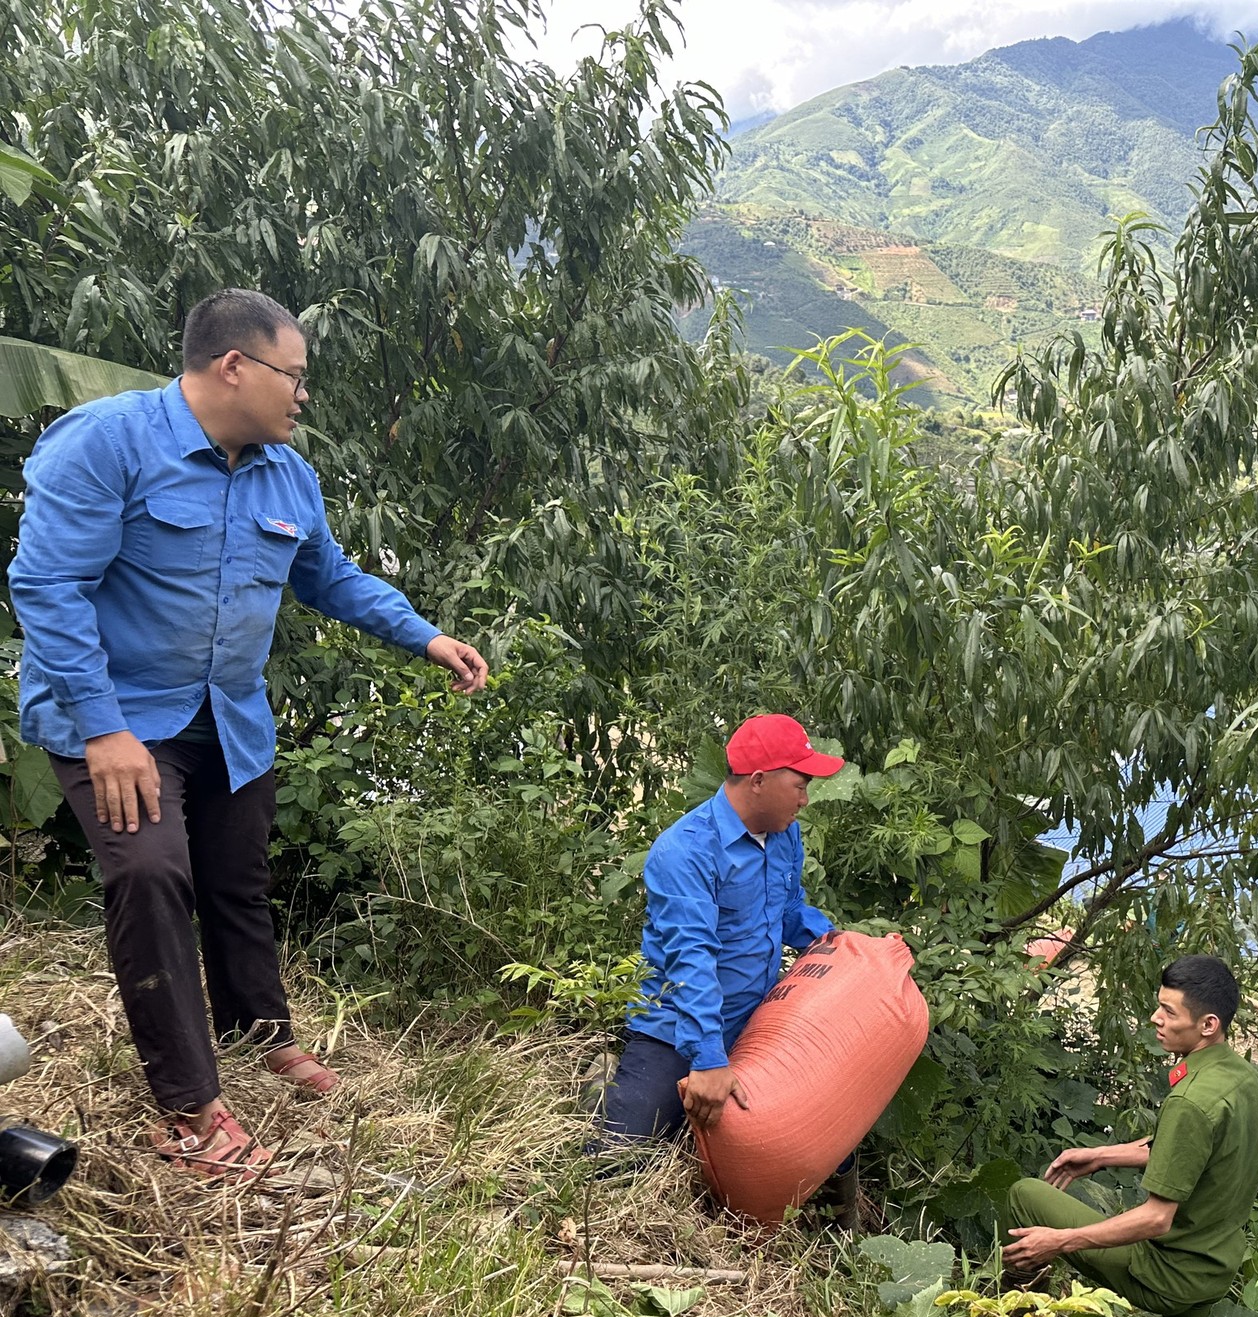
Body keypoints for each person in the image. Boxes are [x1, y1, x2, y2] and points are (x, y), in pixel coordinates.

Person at [11, 289, 488, 1180]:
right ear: (235, 367)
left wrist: (422, 634)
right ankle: (191, 1106)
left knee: (237, 875)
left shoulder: (285, 474)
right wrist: (105, 731)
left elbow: (330, 576)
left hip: (227, 716)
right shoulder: (105, 443)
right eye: (293, 377)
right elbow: (47, 587)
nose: (301, 397)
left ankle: (259, 1033)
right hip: (113, 716)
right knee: (151, 873)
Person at [1002, 956, 1258, 1317]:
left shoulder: (1190, 1101)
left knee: (1026, 1194)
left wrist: (1059, 1241)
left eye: (1169, 1011)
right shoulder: (1239, 1076)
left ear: (1208, 1024)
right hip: (1216, 1263)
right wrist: (1101, 1155)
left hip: (1167, 1273)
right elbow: (1189, 1152)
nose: (1155, 1018)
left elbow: (1156, 1219)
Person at [595, 714, 842, 1145]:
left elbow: (789, 912)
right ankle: (602, 1084)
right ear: (760, 781)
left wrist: (840, 947)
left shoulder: (785, 835)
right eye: (800, 786)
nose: (805, 800)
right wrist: (708, 1060)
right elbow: (691, 958)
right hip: (676, 1027)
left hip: (755, 1019)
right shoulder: (686, 851)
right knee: (621, 1154)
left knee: (818, 1137)